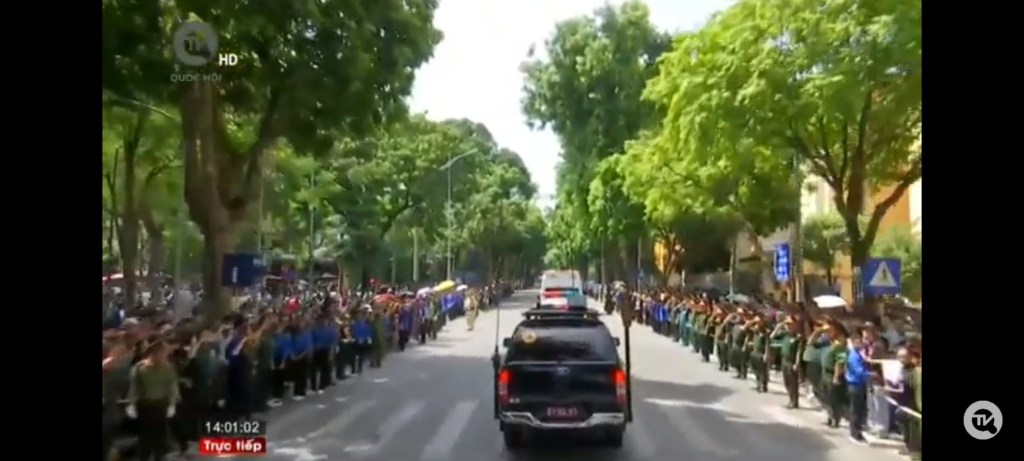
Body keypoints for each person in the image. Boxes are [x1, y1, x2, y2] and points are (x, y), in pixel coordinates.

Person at [126, 338, 180, 461]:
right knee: (145, 436)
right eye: (163, 352)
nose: (165, 356)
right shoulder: (140, 368)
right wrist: (131, 404)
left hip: (161, 405)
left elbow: (172, 387)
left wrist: (172, 405)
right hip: (145, 406)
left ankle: (159, 457)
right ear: (154, 352)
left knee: (160, 436)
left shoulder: (168, 368)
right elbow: (134, 387)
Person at [845, 330, 872, 444]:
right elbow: (858, 371)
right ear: (853, 343)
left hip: (859, 384)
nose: (860, 344)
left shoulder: (858, 354)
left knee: (859, 409)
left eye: (860, 342)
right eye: (857, 342)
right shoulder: (854, 356)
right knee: (855, 410)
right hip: (855, 385)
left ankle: (858, 431)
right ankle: (854, 433)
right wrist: (871, 374)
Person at [774, 316, 805, 409]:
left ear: (795, 325)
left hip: (792, 361)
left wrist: (797, 363)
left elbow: (799, 351)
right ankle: (791, 399)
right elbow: (772, 336)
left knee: (793, 383)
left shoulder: (798, 337)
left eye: (790, 324)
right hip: (784, 360)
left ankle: (794, 401)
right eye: (787, 324)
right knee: (786, 382)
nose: (788, 326)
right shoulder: (785, 335)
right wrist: (779, 326)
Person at [821, 324, 848, 427]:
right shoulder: (829, 343)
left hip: (833, 374)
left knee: (834, 399)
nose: (827, 333)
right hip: (826, 373)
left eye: (829, 331)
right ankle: (830, 417)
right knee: (827, 397)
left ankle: (835, 419)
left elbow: (839, 362)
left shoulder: (839, 346)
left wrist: (836, 376)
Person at [311, 315, 338, 393]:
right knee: (314, 369)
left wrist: (332, 351)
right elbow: (311, 340)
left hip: (325, 350)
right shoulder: (314, 330)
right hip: (316, 350)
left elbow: (333, 342)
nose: (322, 322)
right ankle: (314, 386)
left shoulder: (330, 330)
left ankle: (322, 385)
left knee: (323, 368)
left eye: (323, 320)